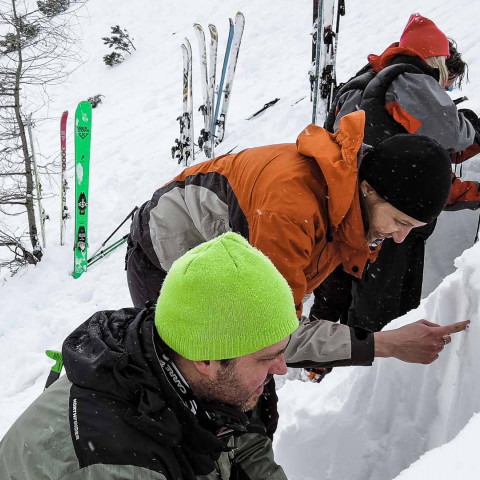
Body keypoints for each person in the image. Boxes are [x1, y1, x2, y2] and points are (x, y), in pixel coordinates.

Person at [126, 109, 469, 369]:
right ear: (368, 190)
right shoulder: (292, 211)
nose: (399, 238)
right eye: (399, 221)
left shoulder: (345, 197)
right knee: (193, 377)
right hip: (163, 257)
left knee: (246, 386)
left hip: (225, 264)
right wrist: (385, 343)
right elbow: (272, 333)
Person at [0, 233, 299, 480]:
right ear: (206, 360)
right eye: (266, 358)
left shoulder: (187, 360)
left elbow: (239, 443)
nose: (282, 368)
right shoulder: (119, 465)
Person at [313, 13, 480, 332]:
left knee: (342, 299)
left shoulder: (365, 81)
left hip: (345, 205)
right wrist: (473, 132)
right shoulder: (412, 80)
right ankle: (365, 373)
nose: (446, 90)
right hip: (388, 219)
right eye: (448, 80)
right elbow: (448, 141)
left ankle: (320, 369)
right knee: (385, 314)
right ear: (439, 63)